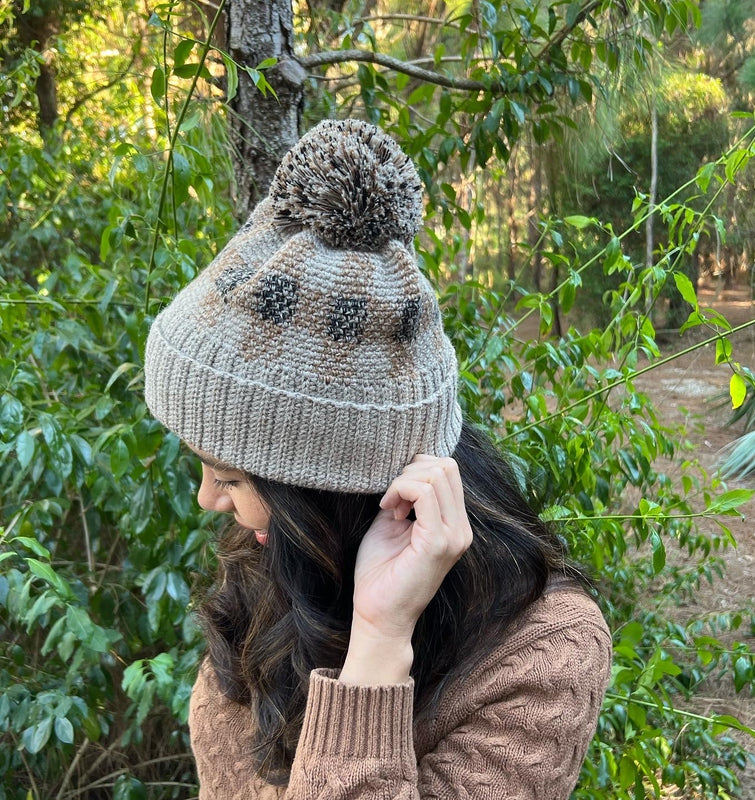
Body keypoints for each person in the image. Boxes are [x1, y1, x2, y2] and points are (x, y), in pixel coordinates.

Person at [143, 119, 611, 799]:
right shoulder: (271, 572)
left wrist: (379, 639)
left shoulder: (541, 653)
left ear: (328, 490)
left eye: (230, 476)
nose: (207, 500)